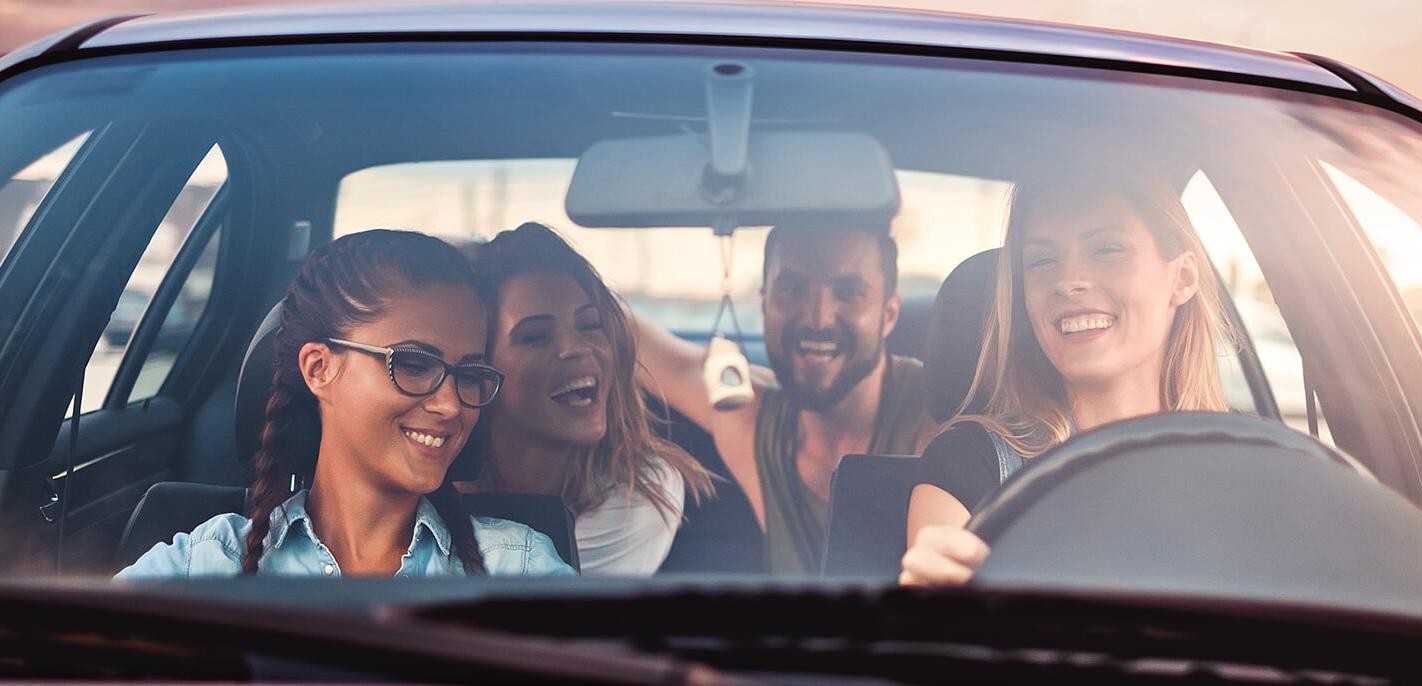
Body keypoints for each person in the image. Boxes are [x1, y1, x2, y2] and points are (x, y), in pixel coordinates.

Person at [118, 230, 575, 578]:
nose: (451, 406)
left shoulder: (519, 568)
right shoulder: (204, 566)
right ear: (319, 369)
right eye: (414, 364)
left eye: (469, 376)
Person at [899, 174, 1233, 586]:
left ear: (1181, 278)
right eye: (1041, 261)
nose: (1068, 282)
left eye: (1107, 249)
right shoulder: (970, 465)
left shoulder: (1249, 462)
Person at [636, 222, 936, 574]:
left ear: (888, 315)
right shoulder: (748, 418)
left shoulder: (940, 418)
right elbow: (627, 334)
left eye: (848, 292)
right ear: (764, 302)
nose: (818, 319)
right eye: (793, 289)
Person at [461, 223, 713, 576]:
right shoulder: (425, 484)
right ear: (479, 370)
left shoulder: (638, 496)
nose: (576, 348)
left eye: (590, 324)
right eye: (536, 336)